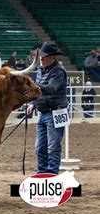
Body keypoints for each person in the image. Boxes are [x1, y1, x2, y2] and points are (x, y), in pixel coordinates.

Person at [27, 41, 68, 175]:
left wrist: (34, 88)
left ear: (53, 57)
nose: (41, 59)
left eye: (44, 57)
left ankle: (51, 174)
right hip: (44, 112)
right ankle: (42, 173)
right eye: (41, 57)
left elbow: (51, 88)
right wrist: (33, 103)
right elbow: (40, 90)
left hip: (56, 112)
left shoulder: (59, 71)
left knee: (53, 147)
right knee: (40, 148)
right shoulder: (40, 69)